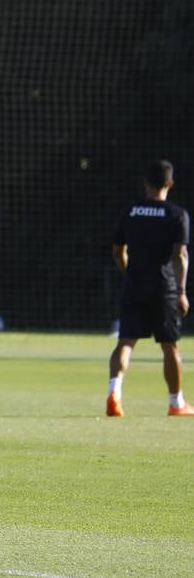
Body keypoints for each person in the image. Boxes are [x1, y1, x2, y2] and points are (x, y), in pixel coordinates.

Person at [106, 159, 192, 417]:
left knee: (125, 342)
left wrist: (128, 271)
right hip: (163, 288)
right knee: (170, 345)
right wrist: (181, 292)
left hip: (134, 284)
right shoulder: (177, 214)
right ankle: (176, 403)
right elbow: (180, 256)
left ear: (146, 182)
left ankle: (114, 393)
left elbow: (118, 251)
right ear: (170, 183)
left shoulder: (130, 211)